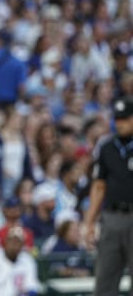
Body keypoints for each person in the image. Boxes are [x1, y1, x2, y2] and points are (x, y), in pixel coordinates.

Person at [83, 96, 133, 296]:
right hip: (112, 218)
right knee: (105, 280)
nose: (120, 123)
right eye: (118, 119)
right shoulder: (107, 148)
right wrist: (89, 222)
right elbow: (98, 186)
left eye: (125, 118)